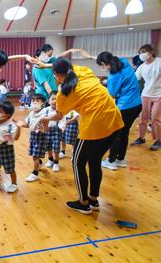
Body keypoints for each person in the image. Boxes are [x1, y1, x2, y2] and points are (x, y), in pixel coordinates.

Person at [39, 58, 124, 215]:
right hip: (115, 122)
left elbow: (59, 116)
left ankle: (83, 202)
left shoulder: (63, 93)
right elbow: (63, 66)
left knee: (77, 162)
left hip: (94, 127)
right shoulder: (83, 71)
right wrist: (47, 65)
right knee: (94, 160)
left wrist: (45, 118)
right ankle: (93, 199)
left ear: (56, 75)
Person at [94, 51, 142, 169]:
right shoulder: (123, 61)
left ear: (103, 64)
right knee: (124, 132)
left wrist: (106, 84)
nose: (102, 68)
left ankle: (111, 161)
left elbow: (113, 94)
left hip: (125, 107)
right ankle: (121, 159)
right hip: (137, 105)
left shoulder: (112, 77)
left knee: (116, 134)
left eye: (101, 66)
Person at [131, 44, 161, 150]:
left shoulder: (159, 62)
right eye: (140, 52)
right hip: (146, 94)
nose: (142, 54)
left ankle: (158, 140)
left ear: (151, 52)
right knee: (143, 118)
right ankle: (141, 137)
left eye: (144, 51)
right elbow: (134, 79)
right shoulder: (142, 66)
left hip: (159, 95)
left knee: (155, 119)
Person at [16, 93, 48, 182]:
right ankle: (40, 163)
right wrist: (20, 124)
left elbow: (46, 127)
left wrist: (44, 126)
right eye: (33, 101)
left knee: (35, 156)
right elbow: (28, 124)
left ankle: (35, 173)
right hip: (33, 136)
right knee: (34, 154)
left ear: (43, 103)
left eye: (37, 101)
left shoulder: (44, 113)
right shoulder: (31, 113)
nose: (34, 103)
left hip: (41, 137)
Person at [43, 91, 64, 172]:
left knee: (56, 147)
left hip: (57, 131)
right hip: (47, 130)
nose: (55, 101)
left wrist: (63, 126)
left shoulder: (60, 111)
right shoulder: (45, 110)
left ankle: (56, 162)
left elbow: (63, 120)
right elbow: (42, 119)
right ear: (49, 101)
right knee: (48, 146)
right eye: (53, 99)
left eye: (57, 100)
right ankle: (50, 159)